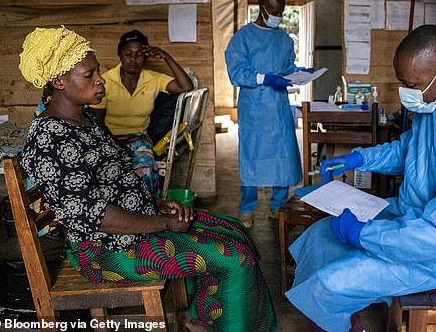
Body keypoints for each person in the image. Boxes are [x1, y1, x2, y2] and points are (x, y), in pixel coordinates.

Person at [18, 27, 277, 332]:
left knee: (235, 231)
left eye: (98, 71)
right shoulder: (52, 138)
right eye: (89, 74)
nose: (100, 79)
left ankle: (197, 319)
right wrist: (165, 223)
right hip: (106, 250)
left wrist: (159, 204)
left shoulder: (85, 120)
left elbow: (116, 181)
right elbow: (92, 216)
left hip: (137, 224)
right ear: (59, 82)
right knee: (237, 258)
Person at [285, 25, 436, 332]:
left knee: (331, 282)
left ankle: (343, 316)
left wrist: (363, 235)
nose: (406, 92)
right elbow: (410, 149)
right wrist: (361, 158)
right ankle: (348, 320)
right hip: (410, 218)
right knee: (320, 236)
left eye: (411, 84)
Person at [225, 0, 314, 228]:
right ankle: (247, 210)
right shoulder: (243, 37)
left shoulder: (284, 39)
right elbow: (237, 73)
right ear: (262, 9)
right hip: (254, 110)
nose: (278, 16)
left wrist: (299, 73)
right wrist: (265, 78)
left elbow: (286, 67)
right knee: (252, 157)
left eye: (281, 12)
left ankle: (277, 207)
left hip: (278, 109)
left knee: (282, 157)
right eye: (274, 12)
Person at [90, 30, 193, 197]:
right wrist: (118, 146)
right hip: (109, 137)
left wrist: (166, 56)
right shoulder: (106, 82)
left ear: (146, 56)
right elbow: (97, 123)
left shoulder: (153, 78)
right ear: (120, 55)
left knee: (145, 168)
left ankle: (149, 213)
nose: (133, 59)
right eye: (128, 54)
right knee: (108, 172)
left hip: (139, 137)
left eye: (139, 54)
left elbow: (186, 87)